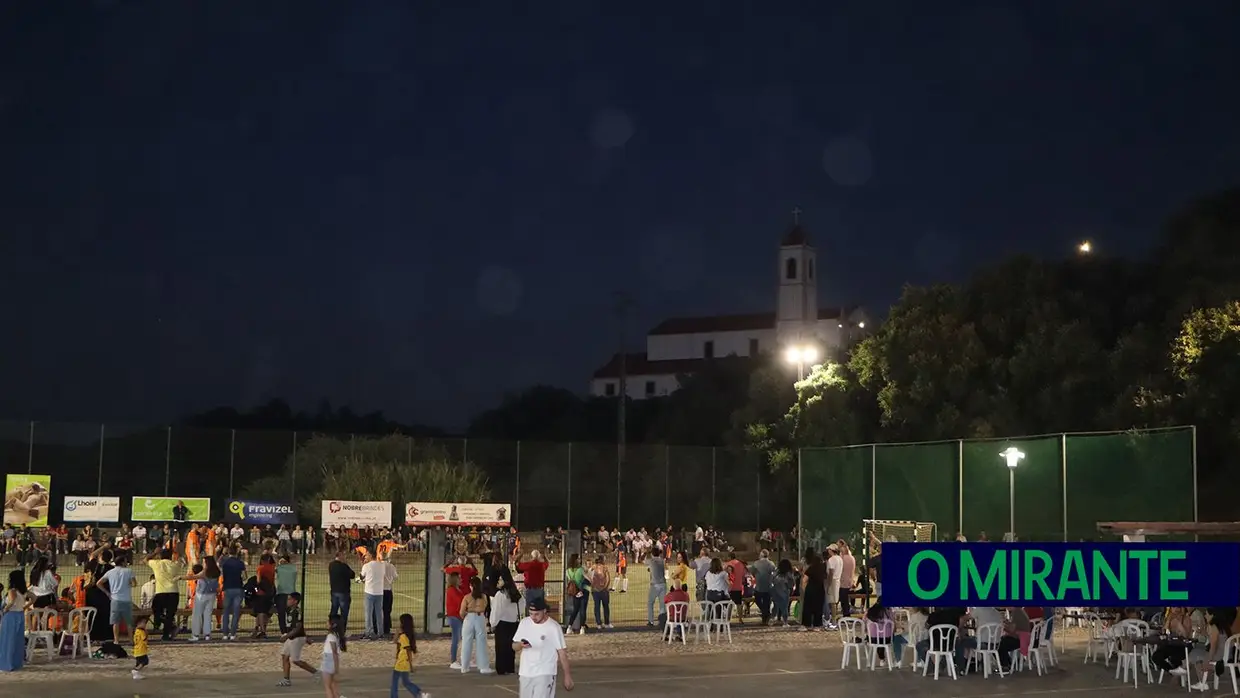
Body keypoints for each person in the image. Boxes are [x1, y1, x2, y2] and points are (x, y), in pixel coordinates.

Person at [513, 597, 574, 698]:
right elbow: (514, 646)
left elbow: (562, 653)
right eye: (531, 614)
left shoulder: (553, 627)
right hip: (525, 672)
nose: (533, 617)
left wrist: (567, 676)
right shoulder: (524, 623)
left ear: (545, 611)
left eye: (537, 614)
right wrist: (520, 645)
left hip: (545, 672)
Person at [277, 592, 317, 687]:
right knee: (285, 656)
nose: (287, 601)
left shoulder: (297, 612)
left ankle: (318, 673)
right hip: (291, 637)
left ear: (295, 601)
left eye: (289, 599)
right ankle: (286, 680)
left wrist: (286, 637)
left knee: (296, 660)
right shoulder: (290, 610)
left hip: (296, 638)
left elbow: (298, 627)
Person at [98, 552, 136, 643]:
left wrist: (107, 593)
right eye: (126, 562)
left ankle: (116, 640)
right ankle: (131, 640)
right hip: (126, 599)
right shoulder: (128, 571)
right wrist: (128, 583)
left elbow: (99, 583)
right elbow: (134, 583)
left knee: (115, 622)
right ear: (123, 563)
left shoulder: (110, 572)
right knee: (129, 622)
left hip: (115, 599)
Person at [459, 577, 494, 674]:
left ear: (470, 586)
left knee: (466, 642)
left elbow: (461, 612)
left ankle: (464, 667)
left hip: (469, 617)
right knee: (481, 642)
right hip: (480, 617)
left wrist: (465, 616)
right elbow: (486, 606)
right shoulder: (483, 596)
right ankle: (483, 666)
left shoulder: (467, 597)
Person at [490, 567, 521, 675]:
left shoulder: (500, 594)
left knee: (501, 647)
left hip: (502, 623)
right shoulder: (515, 593)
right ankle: (510, 667)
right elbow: (522, 604)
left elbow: (496, 610)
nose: (498, 582)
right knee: (510, 647)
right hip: (513, 622)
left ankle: (502, 668)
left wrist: (493, 623)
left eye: (500, 580)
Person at [0, 570, 31, 671]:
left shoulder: (12, 590)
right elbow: (34, 598)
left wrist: (5, 609)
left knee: (8, 640)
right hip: (20, 614)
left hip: (11, 615)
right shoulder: (24, 591)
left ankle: (6, 663)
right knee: (17, 640)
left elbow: (12, 601)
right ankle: (16, 662)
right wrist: (24, 607)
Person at [391, 613, 428, 697]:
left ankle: (394, 696)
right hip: (404, 662)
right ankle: (419, 693)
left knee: (395, 681)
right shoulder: (407, 635)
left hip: (401, 662)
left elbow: (407, 650)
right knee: (406, 682)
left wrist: (411, 665)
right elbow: (395, 641)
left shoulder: (403, 636)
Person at [328, 550, 355, 635]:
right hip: (344, 592)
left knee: (334, 610)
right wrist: (346, 564)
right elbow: (352, 575)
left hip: (334, 591)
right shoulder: (344, 566)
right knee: (344, 612)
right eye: (343, 555)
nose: (344, 557)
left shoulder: (331, 565)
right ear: (340, 556)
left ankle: (332, 628)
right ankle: (342, 630)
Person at [361, 550, 386, 640]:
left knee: (368, 613)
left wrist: (363, 565)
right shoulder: (382, 565)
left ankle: (368, 632)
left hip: (369, 591)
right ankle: (380, 633)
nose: (365, 557)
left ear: (371, 556)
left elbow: (362, 576)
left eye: (367, 555)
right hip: (379, 592)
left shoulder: (366, 566)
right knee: (379, 613)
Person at [321, 613, 347, 698]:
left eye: (328, 622)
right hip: (331, 661)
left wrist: (336, 669)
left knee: (327, 686)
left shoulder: (331, 636)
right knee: (333, 685)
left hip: (328, 660)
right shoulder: (337, 635)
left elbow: (334, 653)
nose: (326, 623)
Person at [131, 616, 150, 680]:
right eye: (143, 623)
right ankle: (135, 670)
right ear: (138, 623)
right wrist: (146, 633)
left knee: (138, 662)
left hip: (136, 650)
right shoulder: (142, 632)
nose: (144, 624)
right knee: (145, 661)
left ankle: (136, 674)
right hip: (141, 650)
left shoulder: (136, 631)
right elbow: (144, 639)